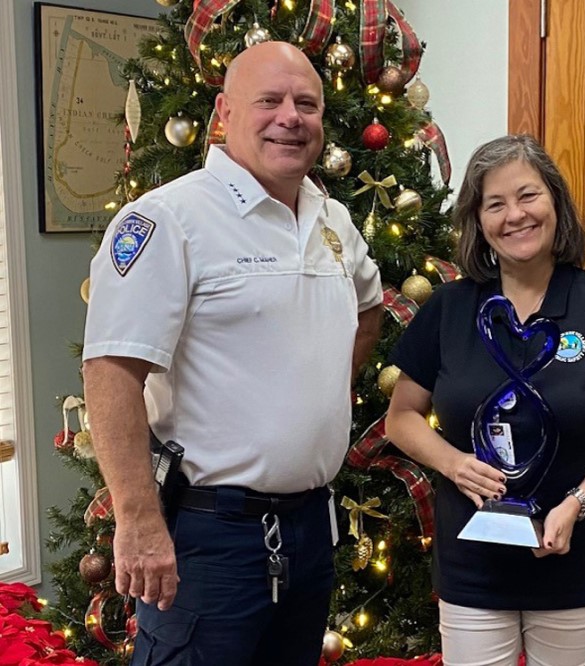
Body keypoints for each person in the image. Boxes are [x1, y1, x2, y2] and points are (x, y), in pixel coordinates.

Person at [82, 41, 382, 665]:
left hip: (308, 528)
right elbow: (112, 371)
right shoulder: (170, 219)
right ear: (223, 111)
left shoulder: (333, 220)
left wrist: (306, 399)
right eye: (268, 101)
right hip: (206, 537)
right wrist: (136, 521)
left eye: (307, 104)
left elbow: (367, 314)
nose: (290, 117)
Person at [385, 135, 585, 666]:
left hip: (579, 555)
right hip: (474, 560)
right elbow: (401, 417)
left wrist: (577, 503)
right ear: (479, 221)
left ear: (555, 202)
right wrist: (455, 464)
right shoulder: (450, 307)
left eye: (528, 196)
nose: (515, 215)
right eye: (495, 204)